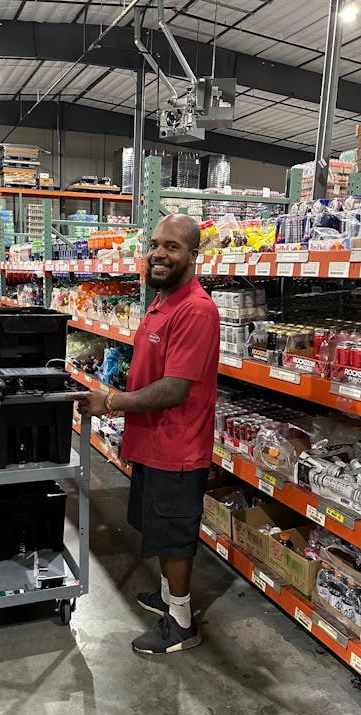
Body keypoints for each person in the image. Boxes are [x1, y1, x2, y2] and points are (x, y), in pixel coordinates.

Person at [77, 213, 220, 655]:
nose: (159, 253)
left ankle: (181, 623)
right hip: (151, 442)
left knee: (175, 539)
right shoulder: (161, 301)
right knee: (158, 531)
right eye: (155, 244)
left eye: (172, 247)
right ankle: (165, 596)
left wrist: (111, 402)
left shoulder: (196, 309)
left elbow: (175, 389)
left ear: (194, 255)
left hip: (176, 448)